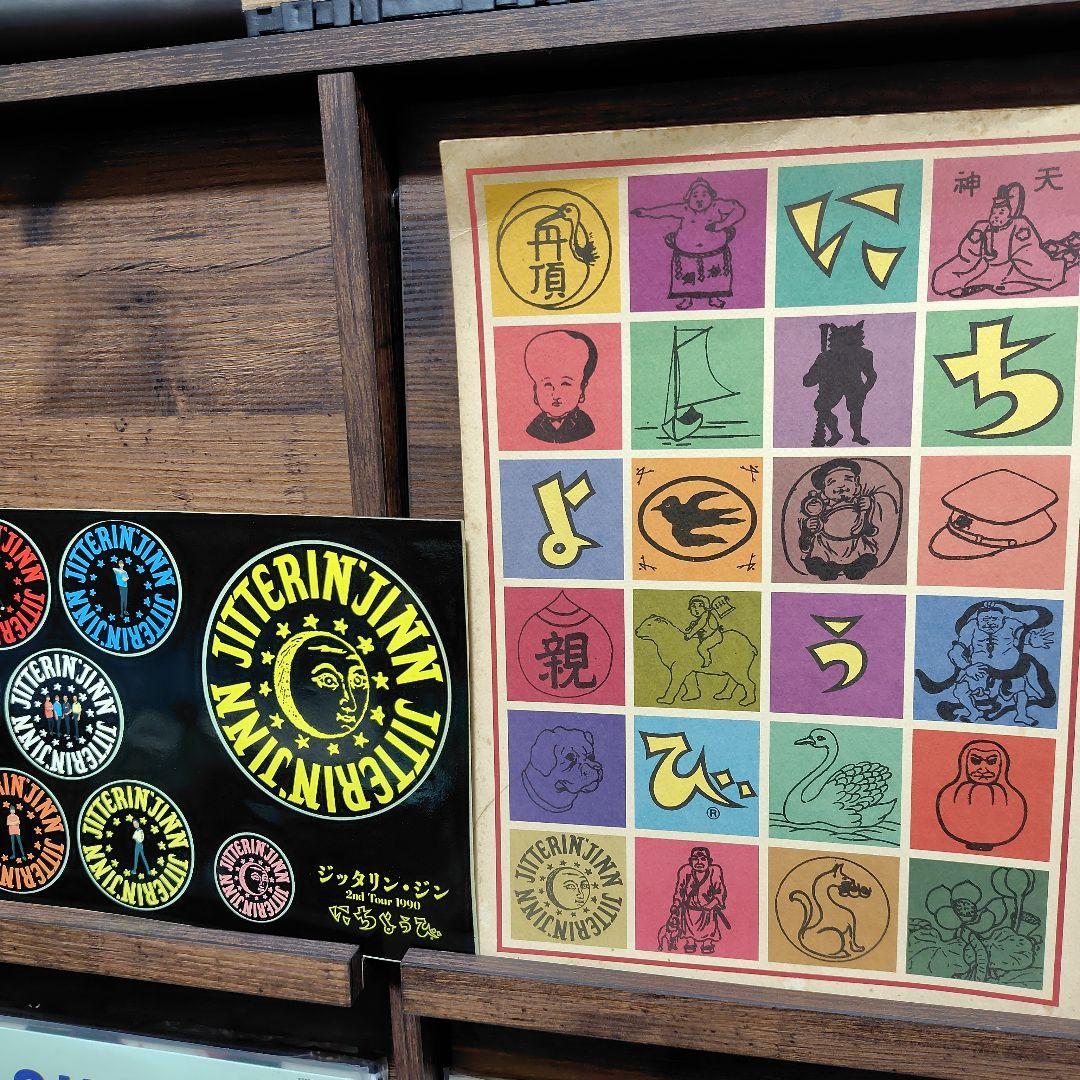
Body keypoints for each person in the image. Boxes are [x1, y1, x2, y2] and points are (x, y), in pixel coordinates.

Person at [932, 181, 1067, 297]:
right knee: (941, 278)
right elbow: (966, 254)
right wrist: (976, 245)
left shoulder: (1019, 224)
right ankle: (977, 283)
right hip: (981, 266)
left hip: (1010, 267)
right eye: (994, 212)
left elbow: (1027, 250)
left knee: (1032, 276)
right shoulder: (981, 226)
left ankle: (980, 284)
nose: (996, 216)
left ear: (1010, 213)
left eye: (1001, 212)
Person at [632, 178, 746, 310]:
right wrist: (645, 212)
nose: (699, 199)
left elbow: (739, 210)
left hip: (715, 252)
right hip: (686, 253)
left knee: (715, 275)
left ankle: (714, 298)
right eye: (695, 195)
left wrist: (722, 225)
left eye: (704, 194)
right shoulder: (684, 209)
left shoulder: (718, 206)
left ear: (711, 195)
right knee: (687, 277)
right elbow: (663, 211)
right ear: (689, 197)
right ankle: (687, 299)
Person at [797, 459, 891, 581]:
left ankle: (855, 566)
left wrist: (868, 506)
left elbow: (869, 523)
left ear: (857, 483)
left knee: (863, 554)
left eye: (848, 479)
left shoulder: (859, 503)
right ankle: (827, 568)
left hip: (853, 542)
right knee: (819, 557)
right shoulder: (821, 507)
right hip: (827, 544)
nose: (841, 485)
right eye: (832, 482)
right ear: (824, 489)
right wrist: (809, 527)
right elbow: (812, 526)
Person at [803, 322, 877, 447]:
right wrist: (820, 373)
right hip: (832, 386)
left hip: (854, 386)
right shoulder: (826, 357)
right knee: (822, 407)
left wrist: (864, 390)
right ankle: (835, 434)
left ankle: (857, 435)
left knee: (855, 409)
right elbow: (808, 381)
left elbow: (871, 375)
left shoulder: (863, 354)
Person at [522, 329, 598, 444]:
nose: (556, 394)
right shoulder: (534, 426)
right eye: (547, 384)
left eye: (565, 384)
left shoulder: (585, 425)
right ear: (535, 391)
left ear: (582, 390)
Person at [660, 846, 728, 954]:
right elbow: (680, 890)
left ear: (709, 861)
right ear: (690, 861)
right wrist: (676, 904)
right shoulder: (685, 871)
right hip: (689, 910)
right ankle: (690, 942)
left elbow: (720, 892)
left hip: (707, 911)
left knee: (709, 929)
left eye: (703, 859)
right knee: (688, 930)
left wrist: (712, 904)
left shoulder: (715, 871)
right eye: (695, 859)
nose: (699, 862)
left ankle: (707, 943)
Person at [682, 594, 734, 668]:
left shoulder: (706, 615)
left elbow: (700, 625)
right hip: (706, 636)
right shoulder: (699, 618)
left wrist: (690, 635)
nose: (696, 609)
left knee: (701, 648)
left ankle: (707, 660)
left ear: (706, 607)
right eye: (693, 606)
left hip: (714, 636)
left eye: (700, 605)